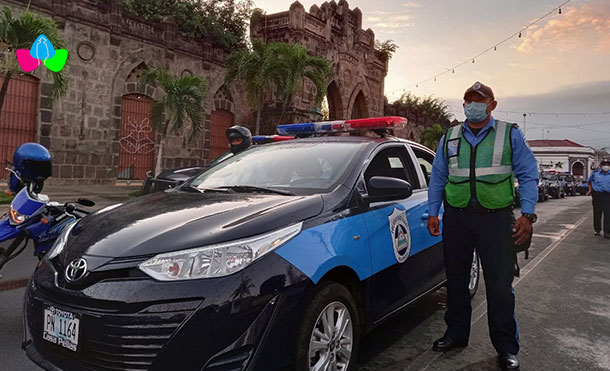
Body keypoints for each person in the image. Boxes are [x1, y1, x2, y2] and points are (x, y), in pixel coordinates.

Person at [427, 81, 539, 370]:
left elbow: (528, 173)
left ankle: (506, 348)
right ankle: (456, 334)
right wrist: (433, 213)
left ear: (492, 104)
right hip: (457, 218)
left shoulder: (509, 133)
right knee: (456, 281)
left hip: (496, 219)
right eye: (468, 100)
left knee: (500, 286)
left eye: (479, 100)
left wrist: (527, 214)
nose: (472, 104)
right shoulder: (450, 136)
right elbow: (438, 176)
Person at [587, 158, 610, 238]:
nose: (606, 166)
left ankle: (607, 232)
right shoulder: (595, 174)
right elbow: (589, 181)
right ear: (601, 166)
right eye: (604, 165)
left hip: (608, 196)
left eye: (607, 165)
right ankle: (597, 229)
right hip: (597, 195)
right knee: (597, 214)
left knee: (608, 215)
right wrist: (590, 189)